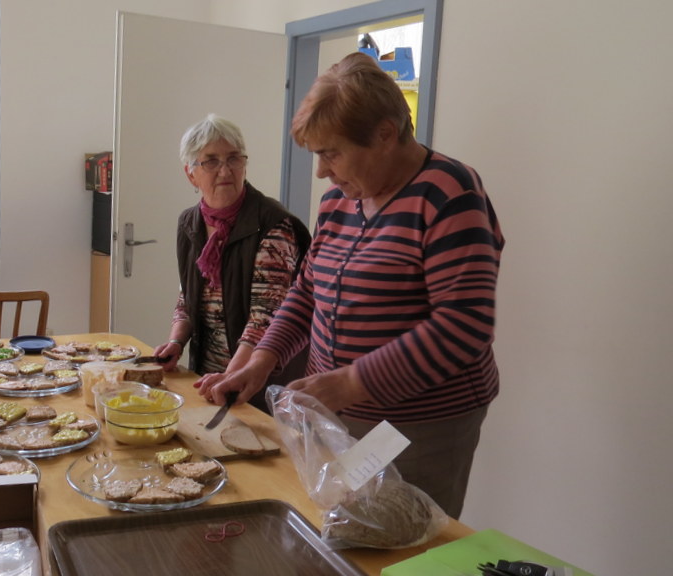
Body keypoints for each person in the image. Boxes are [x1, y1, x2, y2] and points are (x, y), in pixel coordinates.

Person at [196, 53, 505, 518]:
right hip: (335, 413)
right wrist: (262, 360)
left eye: (331, 153)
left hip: (419, 423)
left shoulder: (448, 192)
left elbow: (464, 325)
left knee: (401, 541)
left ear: (385, 135)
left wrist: (351, 382)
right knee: (336, 527)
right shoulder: (339, 199)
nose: (321, 171)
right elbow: (307, 290)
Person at [153, 114, 311, 412]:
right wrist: (176, 343)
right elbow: (188, 295)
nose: (225, 170)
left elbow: (266, 318)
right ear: (191, 174)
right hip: (208, 375)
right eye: (211, 161)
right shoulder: (190, 223)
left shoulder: (273, 225)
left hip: (259, 381)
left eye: (234, 158)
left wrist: (232, 375)